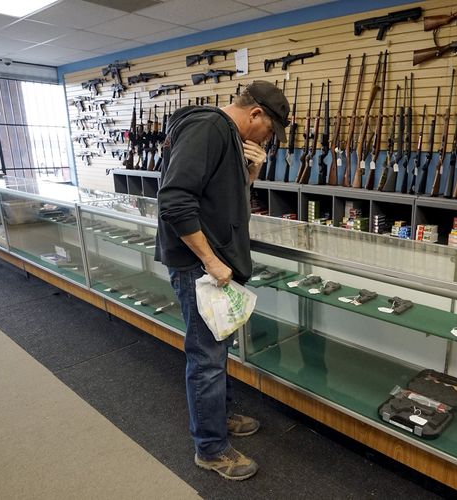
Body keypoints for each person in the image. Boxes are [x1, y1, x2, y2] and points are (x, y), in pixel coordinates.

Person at [155, 81, 289, 481]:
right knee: (207, 358)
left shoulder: (225, 137)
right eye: (270, 130)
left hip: (211, 265)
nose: (269, 138)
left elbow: (222, 202)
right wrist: (212, 262)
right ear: (256, 114)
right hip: (201, 267)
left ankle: (221, 415)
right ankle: (210, 448)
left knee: (217, 350)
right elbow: (174, 201)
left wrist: (251, 173)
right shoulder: (209, 128)